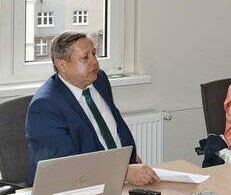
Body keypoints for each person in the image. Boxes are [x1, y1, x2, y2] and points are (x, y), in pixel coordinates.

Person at [25, 31, 159, 186]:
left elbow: (112, 129)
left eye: (94, 54)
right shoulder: (45, 107)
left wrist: (129, 159)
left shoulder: (98, 79)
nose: (94, 62)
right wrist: (123, 171)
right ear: (61, 65)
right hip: (74, 189)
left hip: (116, 182)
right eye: (85, 57)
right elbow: (63, 167)